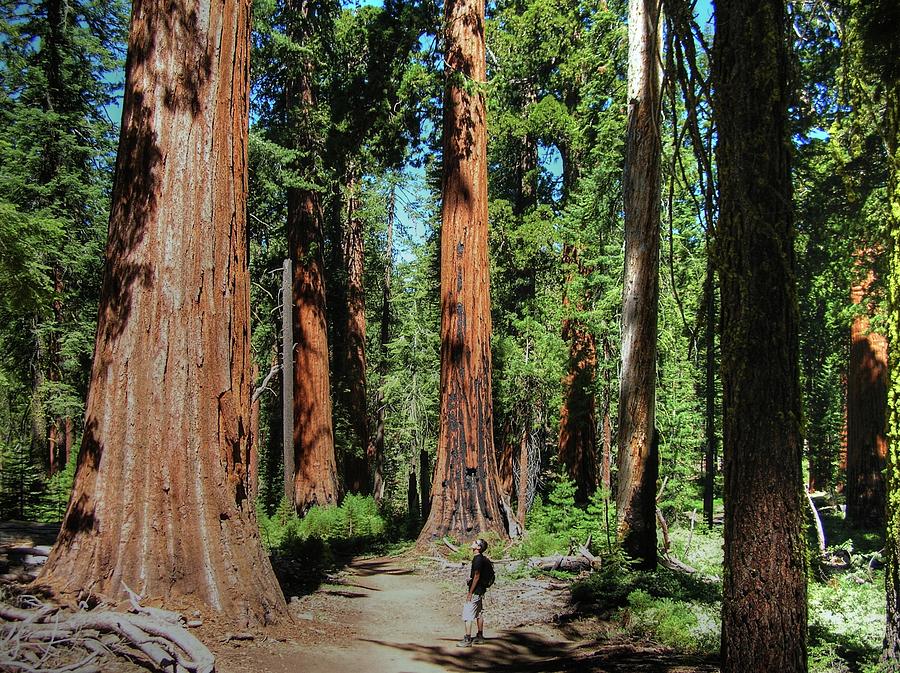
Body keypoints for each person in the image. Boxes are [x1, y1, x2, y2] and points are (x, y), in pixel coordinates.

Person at [457, 538, 490, 647]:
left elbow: (477, 576)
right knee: (479, 612)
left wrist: (470, 592)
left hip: (475, 590)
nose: (472, 542)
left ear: (478, 548)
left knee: (468, 613)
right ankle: (480, 636)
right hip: (480, 590)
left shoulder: (477, 559)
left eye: (475, 542)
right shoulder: (481, 558)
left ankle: (467, 639)